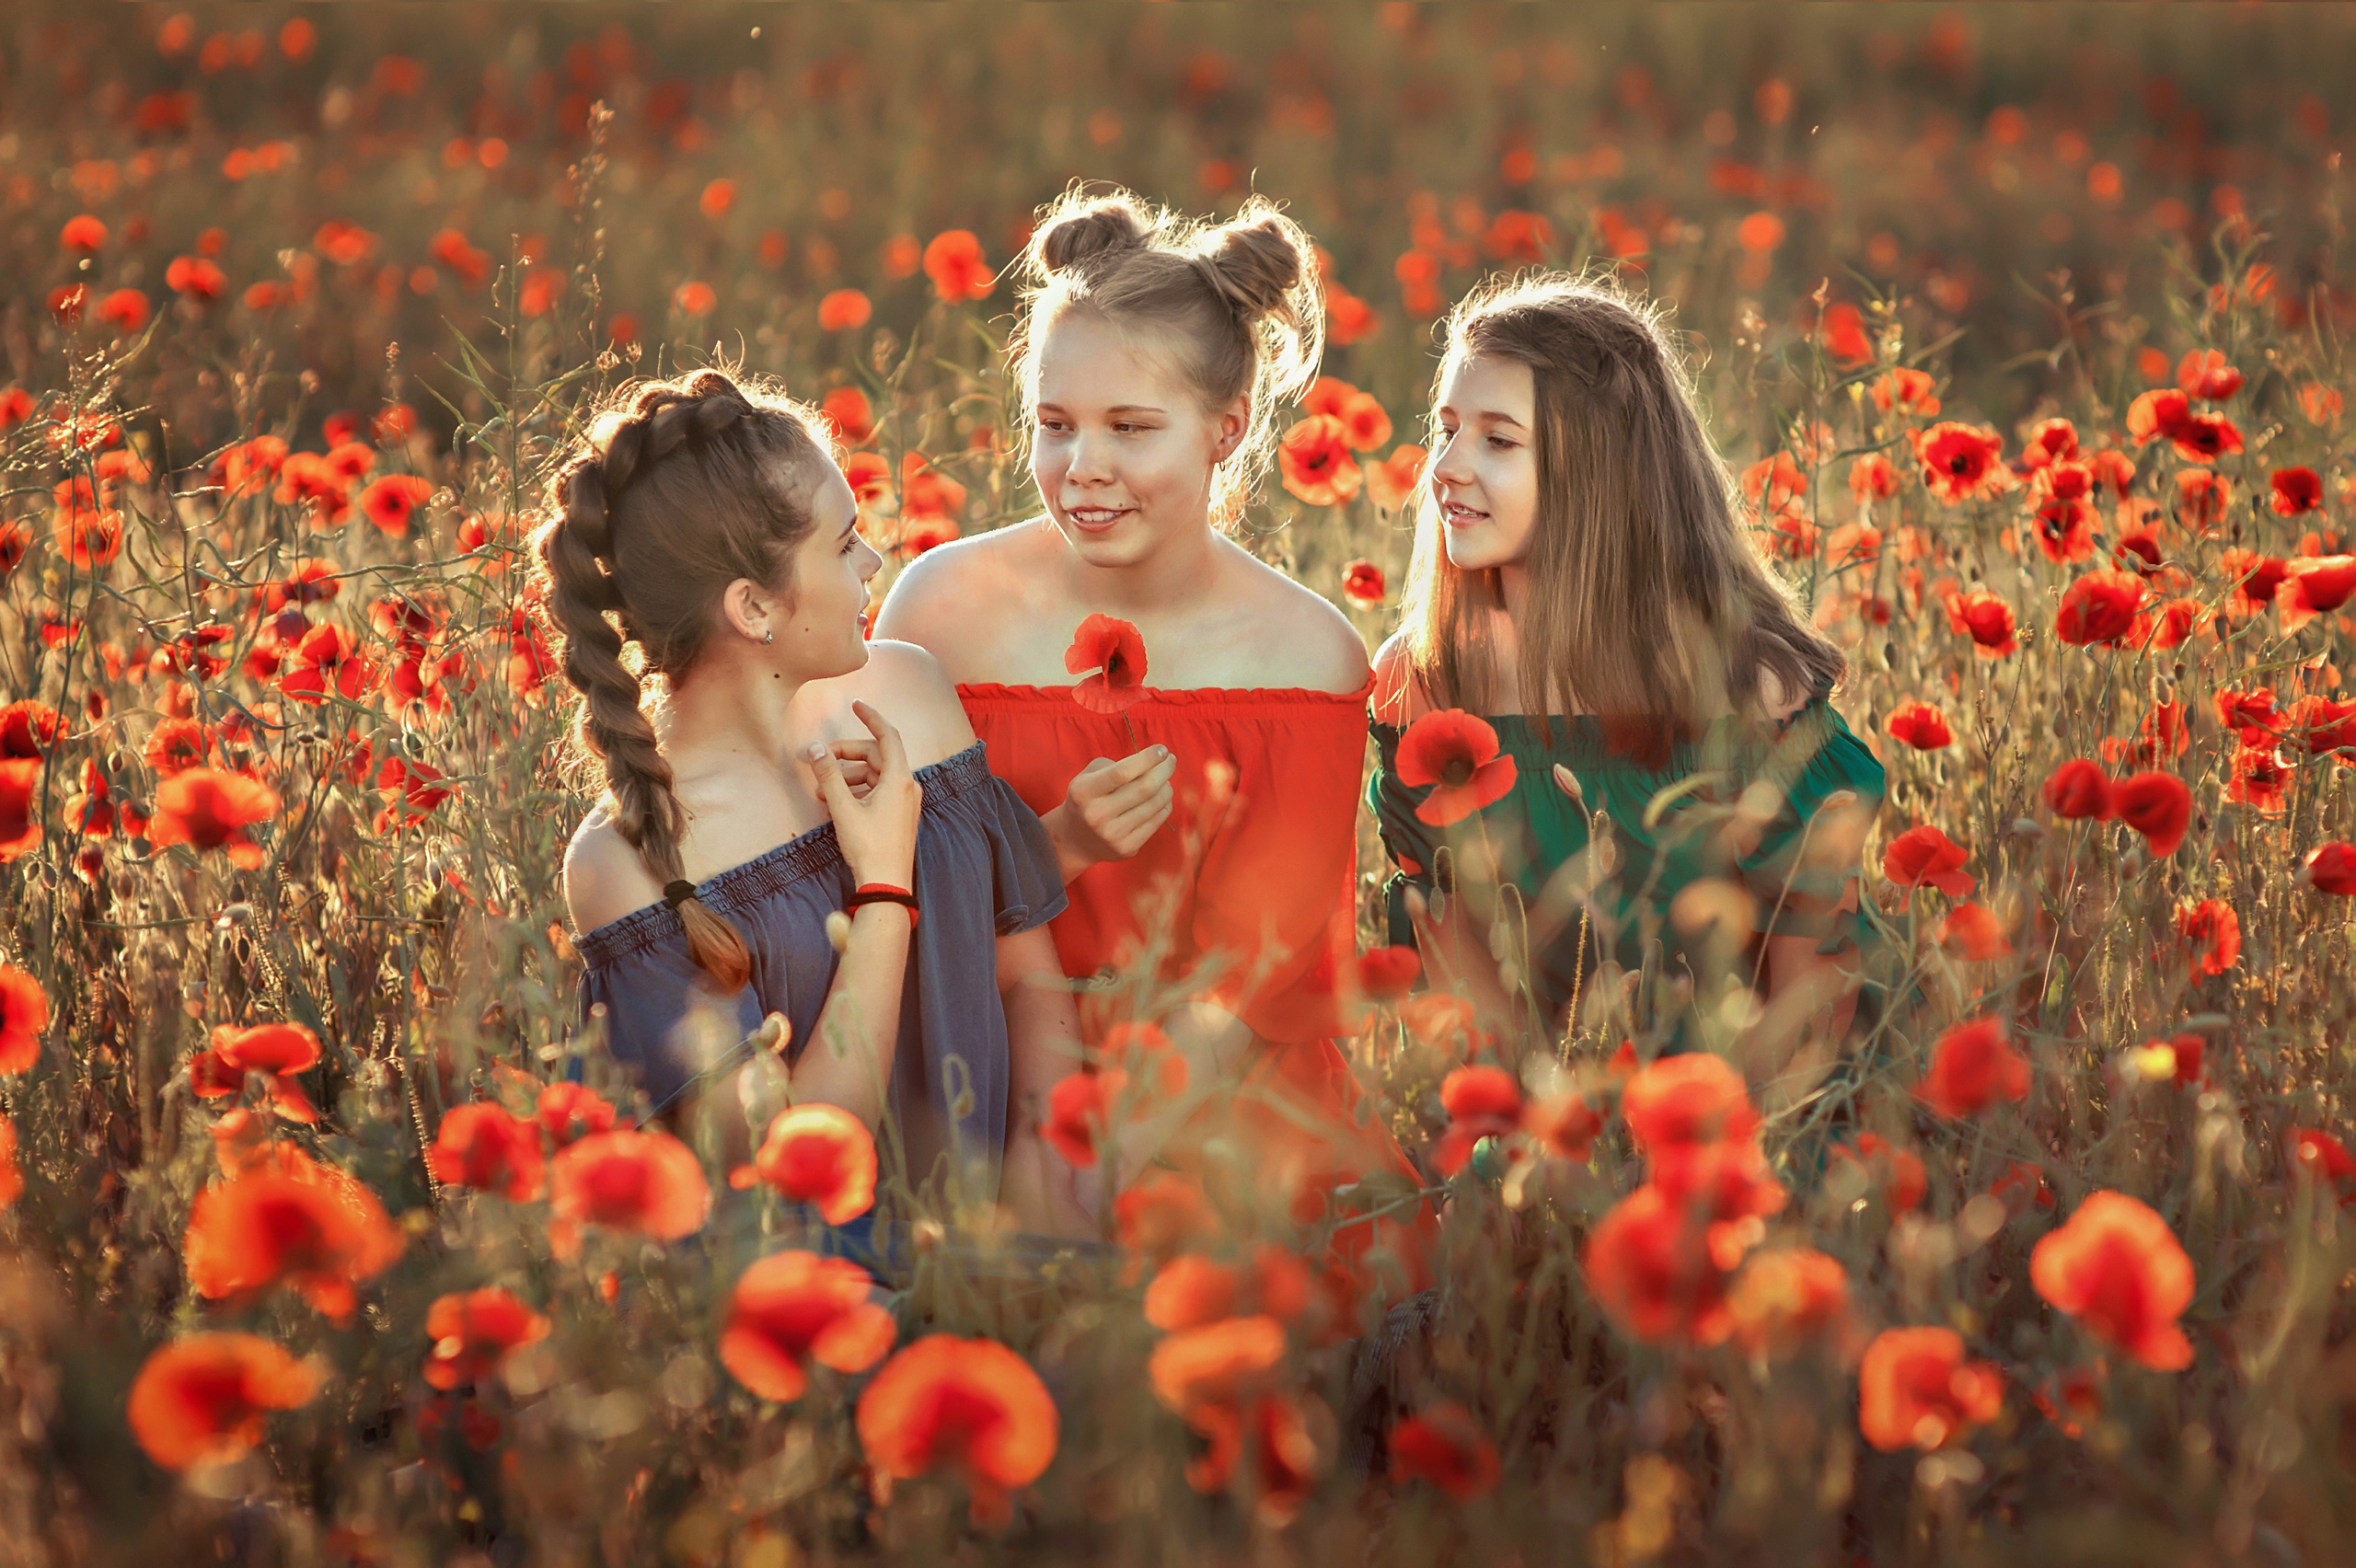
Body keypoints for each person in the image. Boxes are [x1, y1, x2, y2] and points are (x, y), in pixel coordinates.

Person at [878, 187, 1430, 1309]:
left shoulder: (1305, 654)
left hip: (1206, 1083)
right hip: (964, 1045)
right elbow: (886, 875)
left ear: (1227, 430)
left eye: (1132, 429)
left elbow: (1261, 969)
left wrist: (1104, 1135)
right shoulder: (939, 608)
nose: (1082, 465)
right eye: (1053, 423)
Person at [537, 366, 1088, 1236]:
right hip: (826, 1311)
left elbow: (1030, 978)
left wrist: (1048, 1189)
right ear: (753, 606)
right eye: (842, 545)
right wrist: (880, 890)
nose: (873, 562)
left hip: (1017, 1236)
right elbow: (782, 1170)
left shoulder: (905, 693)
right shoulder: (630, 858)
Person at [1367, 271, 1888, 1066]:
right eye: (1445, 429)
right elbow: (1466, 1005)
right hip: (1552, 1119)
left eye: (1497, 440)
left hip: (1762, 1104)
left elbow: (1811, 1002)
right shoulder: (1423, 680)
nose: (1443, 466)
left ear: (1601, 472)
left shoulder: (1746, 685)